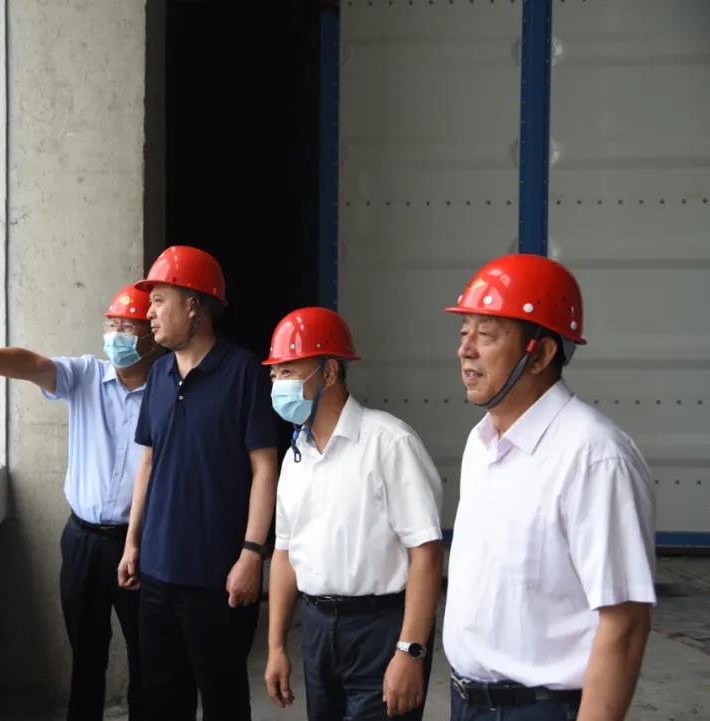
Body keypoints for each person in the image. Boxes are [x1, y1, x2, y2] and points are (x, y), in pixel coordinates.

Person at [0, 283, 159, 721]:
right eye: (111, 325)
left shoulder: (167, 391)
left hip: (141, 544)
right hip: (83, 540)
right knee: (86, 654)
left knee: (148, 657)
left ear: (152, 336)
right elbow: (31, 364)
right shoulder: (86, 376)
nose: (115, 336)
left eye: (127, 327)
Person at [443, 254, 656, 721]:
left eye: (486, 335)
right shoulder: (481, 443)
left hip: (542, 709)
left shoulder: (594, 457)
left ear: (539, 354)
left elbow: (624, 623)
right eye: (463, 332)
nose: (465, 350)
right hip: (468, 702)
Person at [116, 245, 279, 721]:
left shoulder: (242, 372)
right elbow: (149, 462)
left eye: (158, 301)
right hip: (156, 574)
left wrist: (251, 554)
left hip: (217, 578)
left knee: (224, 702)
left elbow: (264, 468)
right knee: (163, 703)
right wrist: (132, 543)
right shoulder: (159, 374)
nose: (148, 313)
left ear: (193, 305)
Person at [261, 307, 443, 721]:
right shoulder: (295, 457)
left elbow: (426, 552)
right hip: (317, 629)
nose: (277, 385)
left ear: (328, 372)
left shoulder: (388, 442)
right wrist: (276, 648)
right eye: (274, 375)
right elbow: (285, 555)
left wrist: (410, 651)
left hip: (380, 629)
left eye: (288, 372)